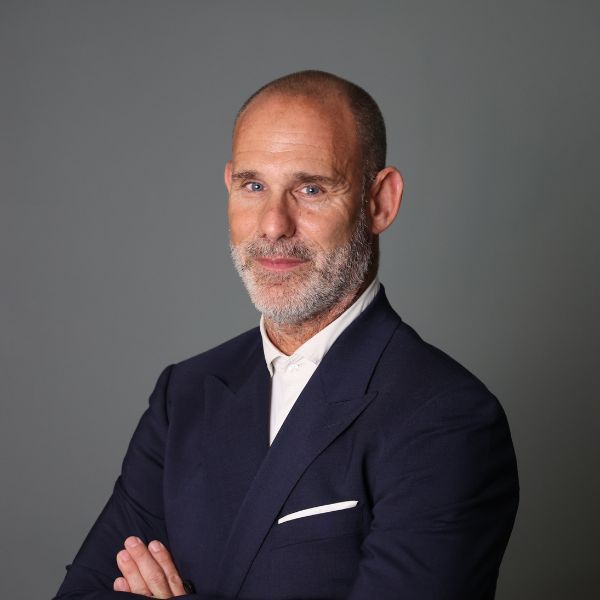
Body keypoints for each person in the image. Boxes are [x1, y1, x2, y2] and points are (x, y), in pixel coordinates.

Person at [54, 70, 519, 600]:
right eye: (253, 186)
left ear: (379, 202)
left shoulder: (445, 416)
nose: (273, 225)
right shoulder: (184, 395)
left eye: (311, 188)